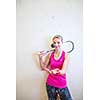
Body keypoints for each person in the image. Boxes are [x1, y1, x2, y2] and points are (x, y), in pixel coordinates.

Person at [38, 35, 72, 100]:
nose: (56, 44)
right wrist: (40, 58)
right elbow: (43, 67)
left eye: (58, 42)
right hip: (50, 83)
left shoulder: (66, 55)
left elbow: (63, 71)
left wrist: (57, 71)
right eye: (54, 42)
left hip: (61, 84)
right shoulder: (50, 54)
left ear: (62, 43)